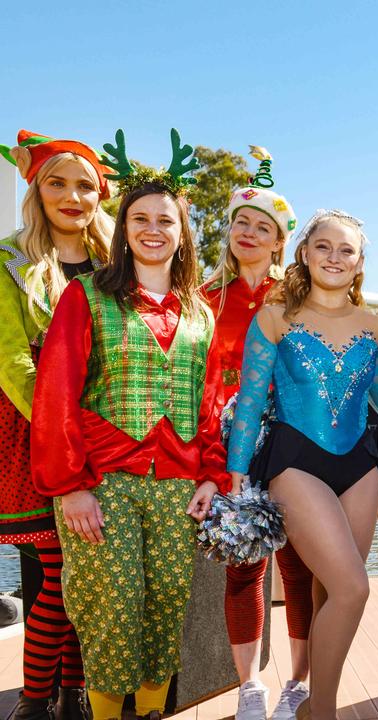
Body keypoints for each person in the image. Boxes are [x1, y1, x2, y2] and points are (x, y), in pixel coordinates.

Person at [30, 129, 230, 720]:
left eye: (165, 220)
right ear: (123, 230)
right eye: (139, 218)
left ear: (182, 231)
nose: (152, 229)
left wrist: (211, 477)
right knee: (113, 610)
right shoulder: (87, 296)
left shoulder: (200, 311)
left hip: (177, 482)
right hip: (103, 479)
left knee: (167, 607)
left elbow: (211, 403)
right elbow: (56, 394)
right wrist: (70, 485)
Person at [227, 209, 378, 720]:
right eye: (324, 247)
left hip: (361, 468)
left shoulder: (377, 327)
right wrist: (236, 478)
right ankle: (324, 712)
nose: (335, 257)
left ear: (360, 263)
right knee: (353, 587)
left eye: (347, 250)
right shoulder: (274, 317)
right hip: (294, 463)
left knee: (328, 594)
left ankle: (315, 704)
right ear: (303, 252)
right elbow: (249, 403)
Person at [0, 129, 112, 720]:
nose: (72, 196)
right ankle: (34, 700)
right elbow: (12, 359)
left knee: (87, 571)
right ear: (36, 189)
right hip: (38, 434)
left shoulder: (119, 262)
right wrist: (62, 429)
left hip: (111, 434)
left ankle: (72, 692)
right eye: (57, 183)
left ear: (100, 194)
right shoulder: (9, 262)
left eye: (85, 185)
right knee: (57, 574)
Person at [203, 149, 314, 720]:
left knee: (298, 567)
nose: (248, 232)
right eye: (241, 222)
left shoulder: (296, 298)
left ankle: (299, 680)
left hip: (292, 449)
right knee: (243, 567)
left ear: (279, 241)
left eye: (262, 226)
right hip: (230, 452)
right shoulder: (203, 299)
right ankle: (250, 687)